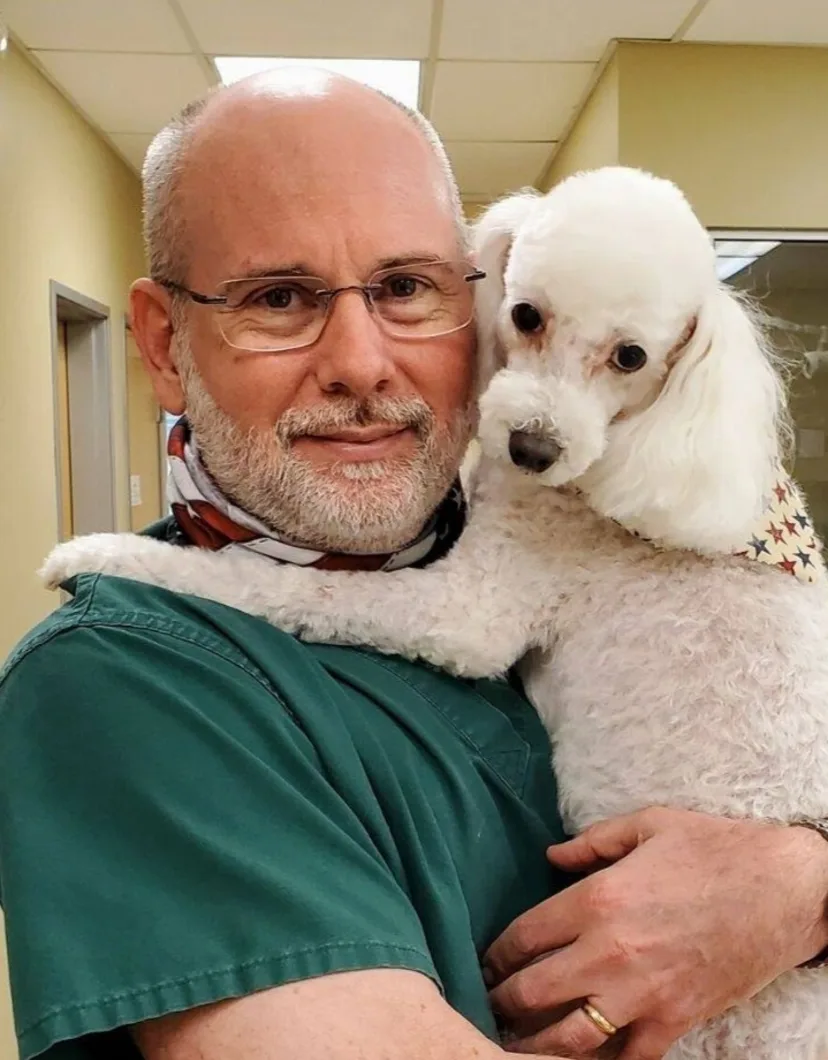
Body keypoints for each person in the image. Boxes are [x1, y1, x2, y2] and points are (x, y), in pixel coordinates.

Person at [0, 69, 826, 1060]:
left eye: (406, 289)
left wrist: (800, 882)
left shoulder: (550, 542)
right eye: (278, 296)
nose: (360, 359)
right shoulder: (123, 680)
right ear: (165, 343)